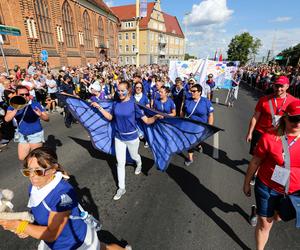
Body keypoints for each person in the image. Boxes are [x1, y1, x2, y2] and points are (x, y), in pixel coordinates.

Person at [0, 147, 132, 250]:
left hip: (75, 243)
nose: (32, 176)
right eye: (28, 171)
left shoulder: (62, 194)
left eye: (39, 171)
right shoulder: (35, 187)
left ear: (53, 169)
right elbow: (39, 213)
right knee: (103, 247)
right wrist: (28, 227)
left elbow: (52, 233)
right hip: (58, 243)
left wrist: (21, 226)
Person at [243, 100, 300, 250]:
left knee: (277, 218)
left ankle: (258, 211)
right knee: (265, 224)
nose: (298, 123)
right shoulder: (270, 136)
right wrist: (247, 182)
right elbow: (255, 161)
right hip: (267, 187)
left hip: (293, 193)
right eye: (294, 119)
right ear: (285, 118)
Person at [91, 81, 161, 200]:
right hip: (119, 137)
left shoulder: (134, 104)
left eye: (122, 90)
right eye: (118, 90)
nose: (119, 92)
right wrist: (99, 107)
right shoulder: (116, 103)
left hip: (132, 137)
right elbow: (110, 118)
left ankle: (139, 163)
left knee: (134, 156)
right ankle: (121, 187)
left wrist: (155, 116)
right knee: (120, 162)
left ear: (128, 91)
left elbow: (147, 121)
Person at [4, 86, 49, 161]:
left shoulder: (35, 104)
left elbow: (47, 119)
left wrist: (40, 115)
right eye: (22, 95)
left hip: (35, 134)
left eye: (27, 94)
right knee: (22, 158)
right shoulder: (13, 105)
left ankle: (37, 169)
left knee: (35, 158)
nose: (25, 96)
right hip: (22, 135)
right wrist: (16, 108)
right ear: (17, 95)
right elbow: (7, 119)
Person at [182, 84, 214, 166]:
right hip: (190, 126)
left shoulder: (206, 102)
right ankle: (190, 158)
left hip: (202, 126)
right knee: (190, 142)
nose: (191, 93)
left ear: (199, 92)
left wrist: (209, 127)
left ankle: (199, 145)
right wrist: (181, 122)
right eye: (191, 91)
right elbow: (183, 112)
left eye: (194, 91)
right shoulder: (188, 100)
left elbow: (210, 115)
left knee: (198, 140)